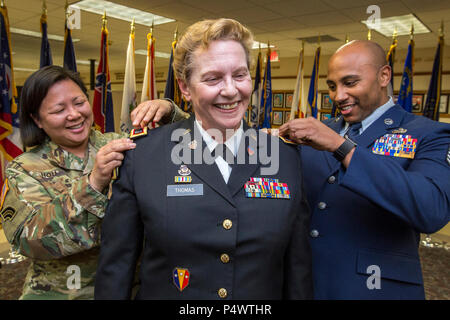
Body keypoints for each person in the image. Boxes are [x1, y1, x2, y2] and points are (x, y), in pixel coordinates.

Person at [94, 18, 313, 300]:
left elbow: (298, 269)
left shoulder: (284, 156)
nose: (231, 90)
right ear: (185, 88)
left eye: (240, 75)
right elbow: (117, 267)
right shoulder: (143, 156)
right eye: (213, 78)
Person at [278, 40, 450, 299]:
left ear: (384, 76)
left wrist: (342, 147)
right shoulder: (315, 133)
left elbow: (431, 209)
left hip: (374, 289)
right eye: (333, 86)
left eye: (350, 83)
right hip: (305, 287)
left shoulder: (430, 134)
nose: (338, 96)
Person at [0, 65, 187, 299]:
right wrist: (92, 184)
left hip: (134, 289)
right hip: (66, 294)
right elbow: (28, 241)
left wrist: (170, 111)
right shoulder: (25, 168)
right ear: (37, 119)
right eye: (59, 110)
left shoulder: (122, 143)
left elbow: (192, 148)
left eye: (79, 103)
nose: (74, 114)